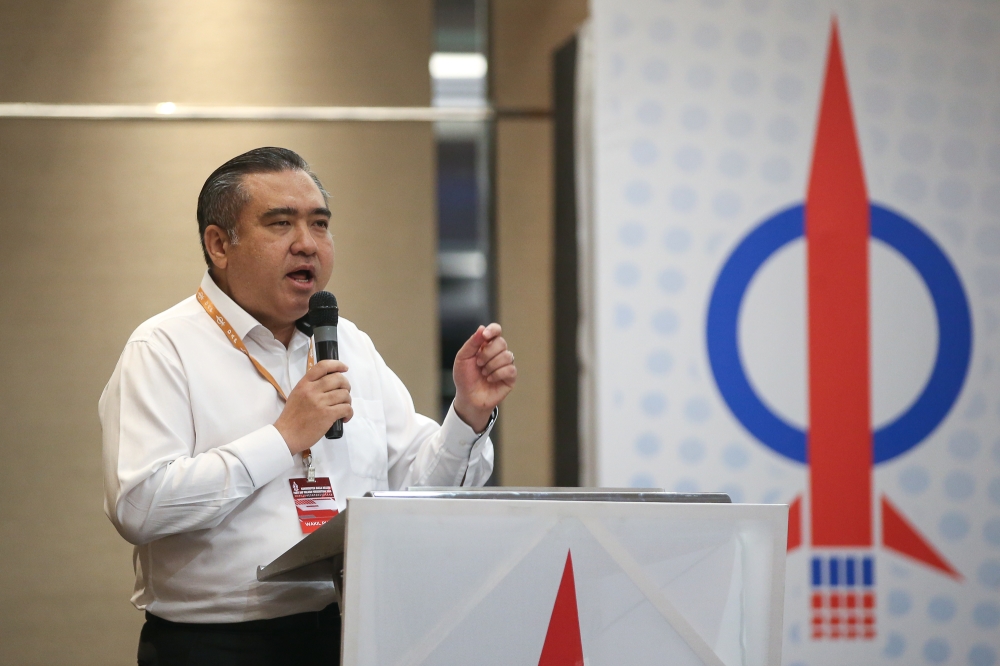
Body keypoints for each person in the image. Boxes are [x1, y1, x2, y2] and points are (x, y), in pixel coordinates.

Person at [100, 147, 517, 665]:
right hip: (218, 646)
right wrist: (281, 439)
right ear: (219, 244)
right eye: (281, 224)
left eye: (319, 224)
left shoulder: (348, 343)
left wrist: (468, 415)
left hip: (349, 632)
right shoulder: (164, 348)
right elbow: (139, 507)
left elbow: (423, 490)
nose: (307, 244)